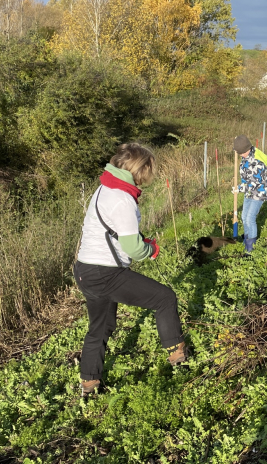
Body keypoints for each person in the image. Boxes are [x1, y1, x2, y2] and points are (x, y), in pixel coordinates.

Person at [74, 143, 187, 397]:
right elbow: (134, 249)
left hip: (85, 270)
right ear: (141, 170)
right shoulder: (122, 199)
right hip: (106, 273)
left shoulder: (105, 188)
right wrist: (150, 249)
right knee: (164, 298)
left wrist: (139, 242)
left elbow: (116, 231)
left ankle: (89, 383)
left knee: (100, 327)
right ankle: (178, 357)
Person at [231, 134, 267, 255]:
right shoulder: (246, 156)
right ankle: (247, 238)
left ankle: (250, 248)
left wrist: (240, 189)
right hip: (249, 191)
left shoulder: (256, 162)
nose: (240, 155)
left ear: (246, 149)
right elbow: (246, 177)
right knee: (244, 217)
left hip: (259, 191)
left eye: (241, 153)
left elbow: (254, 182)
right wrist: (239, 186)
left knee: (250, 218)